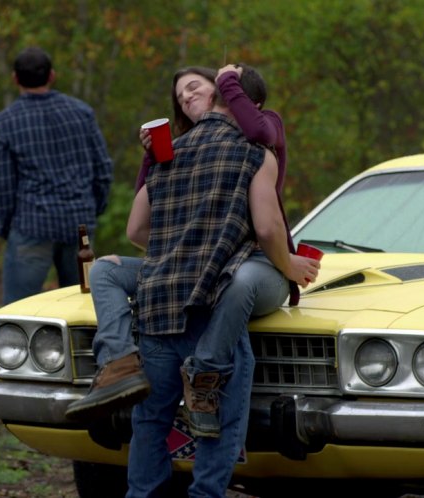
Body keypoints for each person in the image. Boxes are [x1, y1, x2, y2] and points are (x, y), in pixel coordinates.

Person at [65, 64, 301, 423]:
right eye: (180, 96)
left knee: (241, 281)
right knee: (104, 270)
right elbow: (141, 226)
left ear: (221, 94)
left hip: (244, 265)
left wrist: (228, 82)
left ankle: (204, 376)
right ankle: (119, 363)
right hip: (185, 269)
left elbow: (257, 132)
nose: (187, 97)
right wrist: (151, 158)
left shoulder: (259, 135)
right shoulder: (178, 153)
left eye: (195, 87)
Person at [124, 67, 319, 497]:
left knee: (151, 419)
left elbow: (137, 230)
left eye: (195, 87)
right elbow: (268, 229)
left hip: (158, 302)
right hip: (210, 300)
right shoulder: (252, 153)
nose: (188, 96)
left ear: (213, 99)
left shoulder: (168, 153)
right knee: (219, 419)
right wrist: (287, 266)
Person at [0, 46, 113, 305]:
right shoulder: (82, 113)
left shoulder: (5, 122)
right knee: (82, 308)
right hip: (80, 225)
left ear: (15, 78)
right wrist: (92, 211)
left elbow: (2, 187)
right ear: (52, 75)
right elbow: (102, 170)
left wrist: (5, 229)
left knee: (18, 311)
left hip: (31, 225)